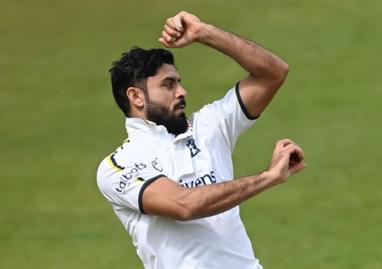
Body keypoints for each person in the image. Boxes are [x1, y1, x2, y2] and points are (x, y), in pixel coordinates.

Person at [96, 11, 306, 269]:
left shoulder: (209, 126)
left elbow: (273, 73)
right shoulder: (118, 166)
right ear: (136, 97)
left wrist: (204, 33)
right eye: (168, 85)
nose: (182, 91)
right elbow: (183, 205)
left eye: (179, 82)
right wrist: (268, 177)